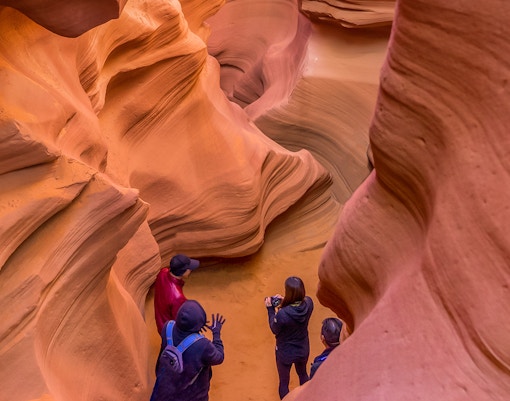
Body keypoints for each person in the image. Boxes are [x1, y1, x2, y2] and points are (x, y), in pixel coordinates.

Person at [150, 299, 226, 401]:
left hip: (163, 393)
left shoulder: (167, 328)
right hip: (191, 396)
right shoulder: (203, 345)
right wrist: (216, 334)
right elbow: (219, 357)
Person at [265, 276, 314, 399]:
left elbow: (274, 328)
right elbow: (299, 304)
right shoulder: (309, 303)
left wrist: (270, 309)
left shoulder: (282, 315)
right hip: (303, 349)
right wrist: (285, 301)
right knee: (303, 374)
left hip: (285, 353)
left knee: (284, 383)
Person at [154, 254, 200, 334]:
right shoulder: (178, 298)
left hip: (161, 322)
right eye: (189, 269)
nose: (191, 270)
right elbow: (179, 323)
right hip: (169, 332)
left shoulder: (163, 272)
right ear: (182, 272)